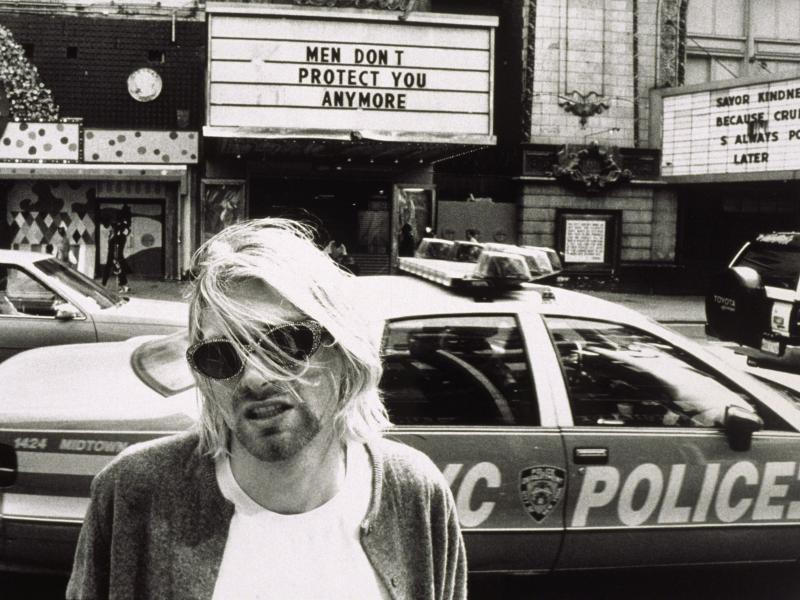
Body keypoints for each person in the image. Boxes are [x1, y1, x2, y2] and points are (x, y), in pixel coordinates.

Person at [67, 217, 467, 600]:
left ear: (344, 350)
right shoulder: (133, 492)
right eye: (221, 356)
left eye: (285, 343)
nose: (255, 377)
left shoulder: (414, 494)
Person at [101, 219, 131, 293]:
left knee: (117, 269)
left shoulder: (119, 237)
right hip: (113, 254)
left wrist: (115, 258)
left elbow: (116, 247)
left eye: (112, 226)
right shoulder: (115, 235)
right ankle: (123, 285)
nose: (111, 227)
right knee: (115, 269)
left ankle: (122, 285)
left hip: (115, 255)